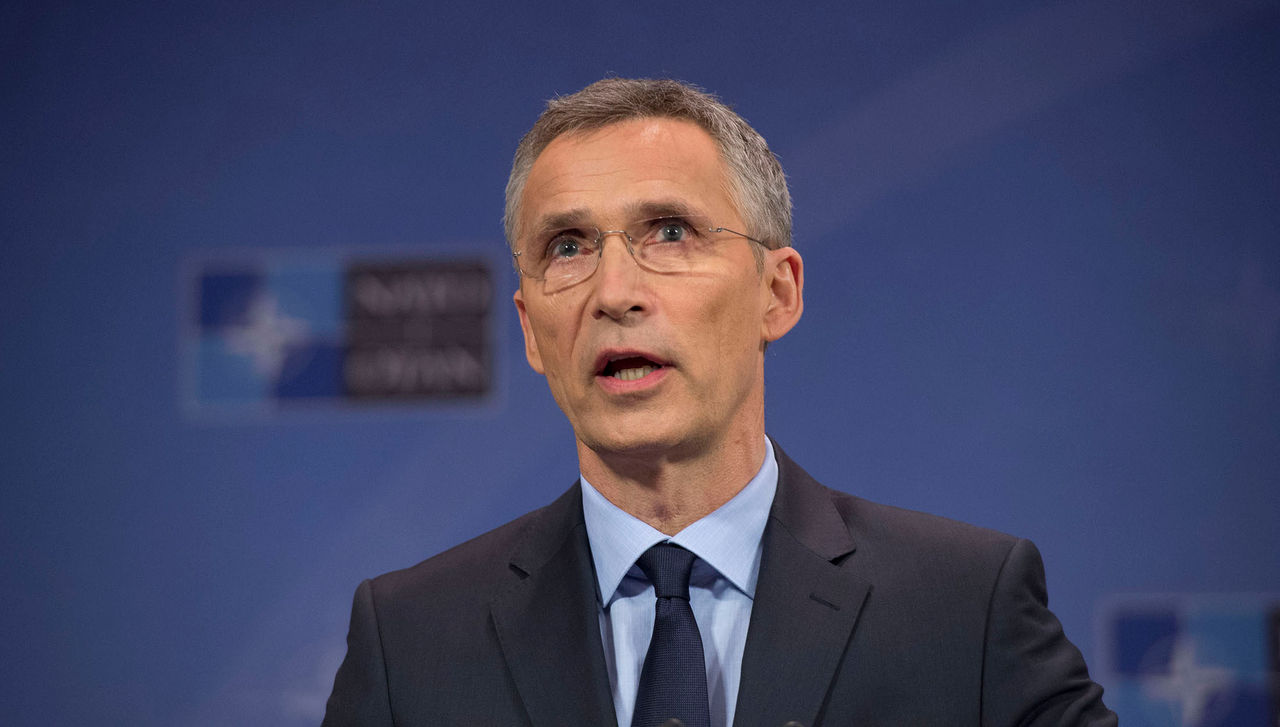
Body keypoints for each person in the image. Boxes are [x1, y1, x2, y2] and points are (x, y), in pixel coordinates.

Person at [322, 78, 1116, 727]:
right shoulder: (411, 639)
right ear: (531, 328)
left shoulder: (964, 609)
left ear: (778, 292)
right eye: (569, 247)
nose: (614, 292)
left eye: (669, 233)